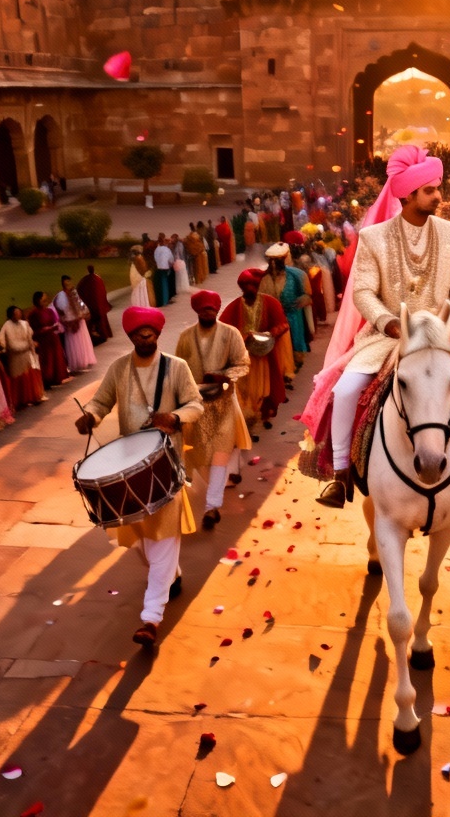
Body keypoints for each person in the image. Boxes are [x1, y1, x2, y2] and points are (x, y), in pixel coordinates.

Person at [308, 146, 450, 510]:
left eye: (437, 188)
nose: (438, 196)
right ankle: (340, 476)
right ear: (408, 194)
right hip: (388, 337)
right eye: (431, 190)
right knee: (345, 388)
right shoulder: (374, 237)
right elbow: (364, 291)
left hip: (442, 338)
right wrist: (387, 322)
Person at [75, 306, 204, 648]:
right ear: (131, 337)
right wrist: (90, 415)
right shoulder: (119, 368)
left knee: (162, 542)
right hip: (128, 468)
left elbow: (196, 403)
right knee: (144, 545)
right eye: (138, 335)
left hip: (165, 464)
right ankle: (171, 575)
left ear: (158, 335)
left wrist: (174, 417)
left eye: (150, 334)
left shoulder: (176, 368)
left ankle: (151, 618)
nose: (144, 339)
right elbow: (101, 401)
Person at [174, 290, 252, 528]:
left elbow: (243, 364)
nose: (208, 313)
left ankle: (212, 507)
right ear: (197, 311)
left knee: (220, 454)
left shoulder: (231, 334)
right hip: (196, 405)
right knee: (201, 455)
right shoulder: (186, 337)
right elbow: (178, 369)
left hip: (224, 403)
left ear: (217, 310)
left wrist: (223, 377)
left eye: (212, 309)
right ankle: (209, 497)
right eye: (203, 309)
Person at [221, 268, 290, 426]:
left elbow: (283, 324)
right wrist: (242, 337)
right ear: (242, 288)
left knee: (262, 387)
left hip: (263, 355)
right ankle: (248, 416)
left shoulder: (270, 302)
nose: (249, 289)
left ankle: (259, 414)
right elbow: (223, 329)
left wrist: (269, 334)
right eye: (246, 286)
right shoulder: (234, 306)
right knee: (244, 388)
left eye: (253, 286)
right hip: (243, 355)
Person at [260, 242, 312, 366]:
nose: (273, 264)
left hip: (293, 316)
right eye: (271, 260)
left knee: (295, 340)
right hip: (275, 319)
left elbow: (307, 295)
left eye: (276, 261)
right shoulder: (264, 279)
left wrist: (303, 299)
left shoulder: (297, 275)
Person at [0, 305, 46, 408]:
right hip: (16, 357)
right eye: (16, 313)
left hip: (26, 355)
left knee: (29, 376)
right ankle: (21, 401)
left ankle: (33, 397)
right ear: (11, 315)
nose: (18, 314)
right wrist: (27, 345)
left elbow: (29, 337)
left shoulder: (24, 324)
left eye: (19, 312)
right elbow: (8, 343)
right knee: (19, 377)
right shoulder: (7, 326)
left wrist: (31, 344)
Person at [26, 291, 70, 389]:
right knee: (47, 359)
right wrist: (48, 329)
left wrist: (56, 327)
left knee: (56, 356)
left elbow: (55, 321)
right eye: (43, 300)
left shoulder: (49, 311)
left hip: (53, 338)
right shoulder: (34, 314)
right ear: (38, 300)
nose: (45, 301)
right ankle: (47, 379)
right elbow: (33, 330)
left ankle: (58, 377)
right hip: (43, 340)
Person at [54, 275, 96, 374]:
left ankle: (85, 359)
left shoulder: (74, 292)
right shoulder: (60, 296)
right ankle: (77, 362)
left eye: (69, 282)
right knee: (74, 343)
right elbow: (61, 310)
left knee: (83, 341)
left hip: (79, 320)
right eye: (66, 282)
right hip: (70, 322)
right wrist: (69, 320)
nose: (68, 284)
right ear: (63, 283)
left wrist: (83, 313)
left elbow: (80, 303)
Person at [77, 265, 113, 344]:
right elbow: (103, 291)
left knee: (93, 321)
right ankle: (103, 334)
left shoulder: (85, 280)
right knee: (100, 321)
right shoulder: (98, 279)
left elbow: (80, 290)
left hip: (92, 305)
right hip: (98, 305)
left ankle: (96, 336)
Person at [153, 234, 175, 308]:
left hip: (159, 267)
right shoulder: (166, 249)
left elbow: (155, 258)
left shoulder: (157, 249)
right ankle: (165, 300)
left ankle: (162, 299)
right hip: (166, 267)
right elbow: (171, 259)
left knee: (161, 283)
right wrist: (172, 264)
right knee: (165, 283)